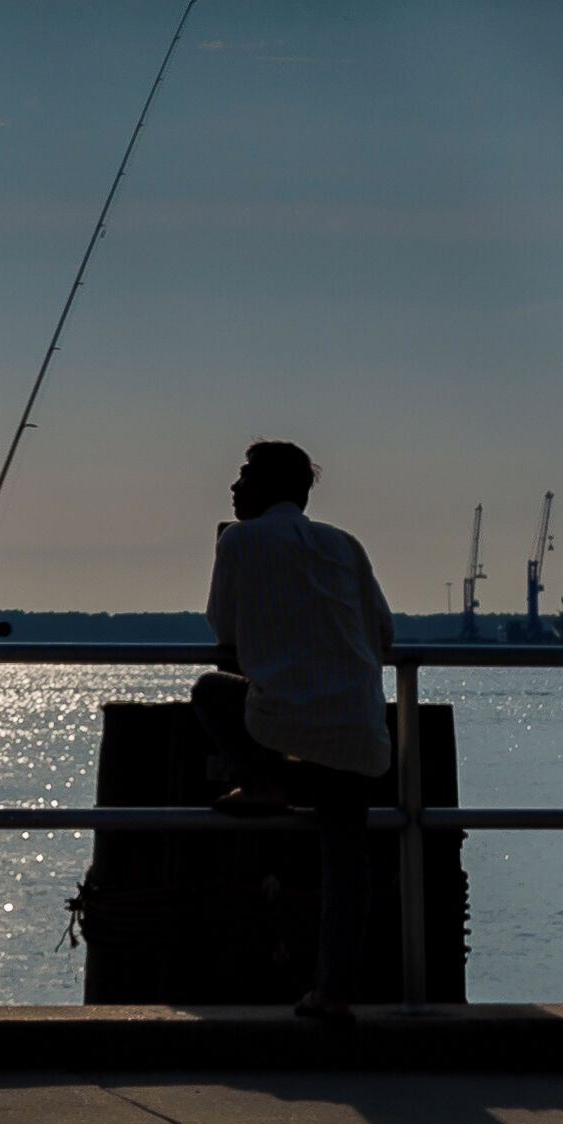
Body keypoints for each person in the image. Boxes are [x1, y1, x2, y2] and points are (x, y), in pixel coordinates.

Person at [194, 438, 395, 1025]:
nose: (234, 487)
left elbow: (223, 632)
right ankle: (333, 993)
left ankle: (263, 781)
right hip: (358, 725)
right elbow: (382, 633)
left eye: (244, 477)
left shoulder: (238, 540)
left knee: (210, 693)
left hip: (282, 720)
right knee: (345, 862)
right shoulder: (344, 544)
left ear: (268, 488)